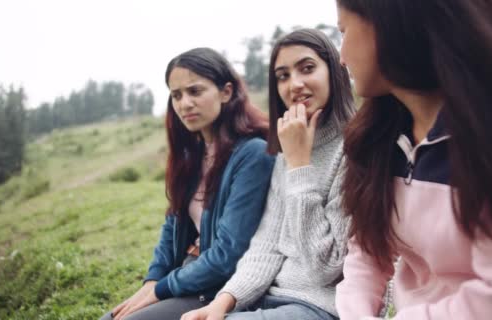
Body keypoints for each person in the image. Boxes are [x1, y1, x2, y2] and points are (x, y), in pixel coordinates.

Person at [335, 1, 492, 319]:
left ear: (387, 23)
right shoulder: (378, 140)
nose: (342, 56)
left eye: (343, 31)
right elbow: (366, 252)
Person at [182, 28, 355, 320]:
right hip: (269, 298)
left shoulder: (356, 151)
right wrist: (222, 303)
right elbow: (267, 244)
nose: (294, 84)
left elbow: (325, 266)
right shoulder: (287, 151)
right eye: (283, 75)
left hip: (322, 307)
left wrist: (300, 165)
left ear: (334, 72)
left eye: (307, 68)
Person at [101, 47, 275, 320]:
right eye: (176, 95)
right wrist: (152, 281)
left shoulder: (252, 154)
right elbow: (172, 224)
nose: (184, 104)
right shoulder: (191, 155)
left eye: (195, 91)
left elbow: (228, 253)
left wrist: (163, 288)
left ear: (226, 92)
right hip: (187, 272)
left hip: (221, 285)